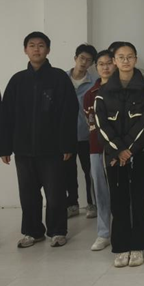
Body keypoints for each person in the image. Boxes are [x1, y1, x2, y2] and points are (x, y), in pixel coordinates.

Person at [0, 31, 77, 248]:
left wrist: (67, 144)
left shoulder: (59, 78)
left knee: (55, 194)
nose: (36, 49)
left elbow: (69, 113)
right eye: (31, 45)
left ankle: (57, 231)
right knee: (28, 194)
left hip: (52, 149)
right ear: (25, 50)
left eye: (41, 45)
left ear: (48, 49)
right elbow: (6, 115)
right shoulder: (17, 80)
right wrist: (4, 147)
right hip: (23, 149)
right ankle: (32, 232)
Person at [94, 42, 144, 267]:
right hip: (113, 155)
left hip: (139, 152)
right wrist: (118, 149)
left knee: (138, 200)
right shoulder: (103, 92)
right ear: (114, 61)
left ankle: (138, 246)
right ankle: (121, 247)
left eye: (130, 56)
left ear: (135, 59)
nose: (125, 61)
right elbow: (101, 125)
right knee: (118, 201)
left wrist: (129, 149)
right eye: (121, 57)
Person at [82, 50, 114, 251]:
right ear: (96, 67)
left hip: (120, 148)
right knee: (100, 191)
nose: (105, 67)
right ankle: (103, 233)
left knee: (121, 190)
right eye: (101, 64)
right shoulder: (90, 94)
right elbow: (90, 122)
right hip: (97, 147)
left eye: (109, 63)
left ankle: (123, 229)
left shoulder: (123, 89)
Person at [66, 44, 97, 220]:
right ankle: (72, 204)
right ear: (75, 58)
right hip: (66, 135)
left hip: (87, 134)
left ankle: (91, 204)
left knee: (89, 171)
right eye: (82, 58)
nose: (84, 62)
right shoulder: (62, 79)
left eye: (88, 60)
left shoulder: (94, 82)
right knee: (68, 171)